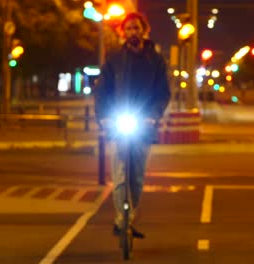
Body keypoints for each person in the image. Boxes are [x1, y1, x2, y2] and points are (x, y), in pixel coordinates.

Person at [94, 12, 171, 238]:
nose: (132, 33)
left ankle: (130, 216)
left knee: (136, 176)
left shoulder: (156, 60)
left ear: (144, 30)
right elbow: (101, 91)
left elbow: (163, 93)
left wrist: (153, 116)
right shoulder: (114, 59)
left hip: (144, 124)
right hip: (119, 123)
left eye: (136, 28)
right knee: (120, 175)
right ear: (123, 33)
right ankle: (121, 219)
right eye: (128, 29)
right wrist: (104, 116)